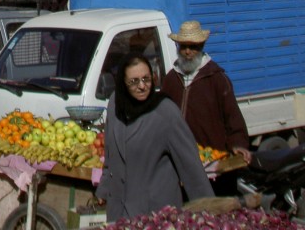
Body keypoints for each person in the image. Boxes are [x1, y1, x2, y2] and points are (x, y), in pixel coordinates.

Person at [96, 52, 212, 221]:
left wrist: (211, 216)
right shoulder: (115, 104)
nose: (142, 86)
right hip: (119, 212)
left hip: (155, 215)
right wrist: (105, 187)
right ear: (123, 83)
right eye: (134, 81)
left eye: (147, 79)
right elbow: (111, 153)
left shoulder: (165, 113)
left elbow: (192, 169)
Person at [161, 20, 252, 165]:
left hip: (212, 161)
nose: (188, 52)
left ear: (201, 46)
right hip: (179, 161)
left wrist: (238, 145)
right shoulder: (170, 80)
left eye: (193, 47)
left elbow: (233, 120)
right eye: (184, 46)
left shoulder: (217, 79)